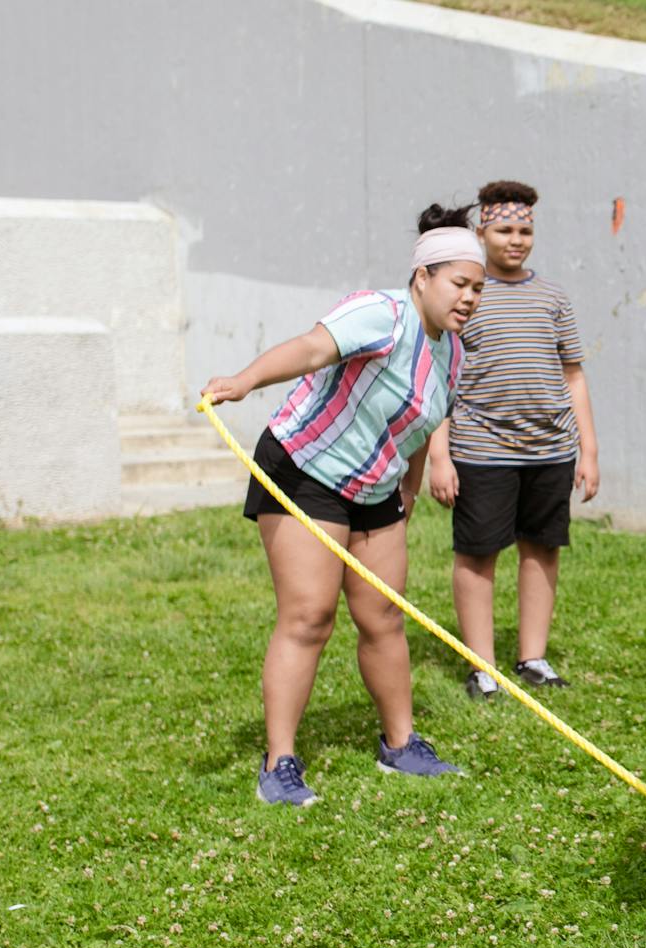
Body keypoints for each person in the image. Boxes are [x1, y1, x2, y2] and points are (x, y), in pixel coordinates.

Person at [203, 204, 485, 806]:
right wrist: (244, 380)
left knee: (384, 616)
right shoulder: (380, 313)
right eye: (459, 284)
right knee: (309, 617)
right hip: (305, 469)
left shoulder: (454, 355)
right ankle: (279, 762)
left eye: (477, 288)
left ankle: (401, 744)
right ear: (423, 277)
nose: (469, 298)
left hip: (375, 488)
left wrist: (409, 484)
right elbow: (309, 350)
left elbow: (418, 423)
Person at [426, 179, 600, 700]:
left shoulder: (553, 297)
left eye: (525, 229)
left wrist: (587, 449)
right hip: (481, 452)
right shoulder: (465, 296)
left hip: (550, 451)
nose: (516, 239)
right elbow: (440, 376)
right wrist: (440, 455)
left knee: (542, 550)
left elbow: (573, 375)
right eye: (504, 229)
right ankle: (482, 666)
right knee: (477, 554)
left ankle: (533, 657)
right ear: (481, 232)